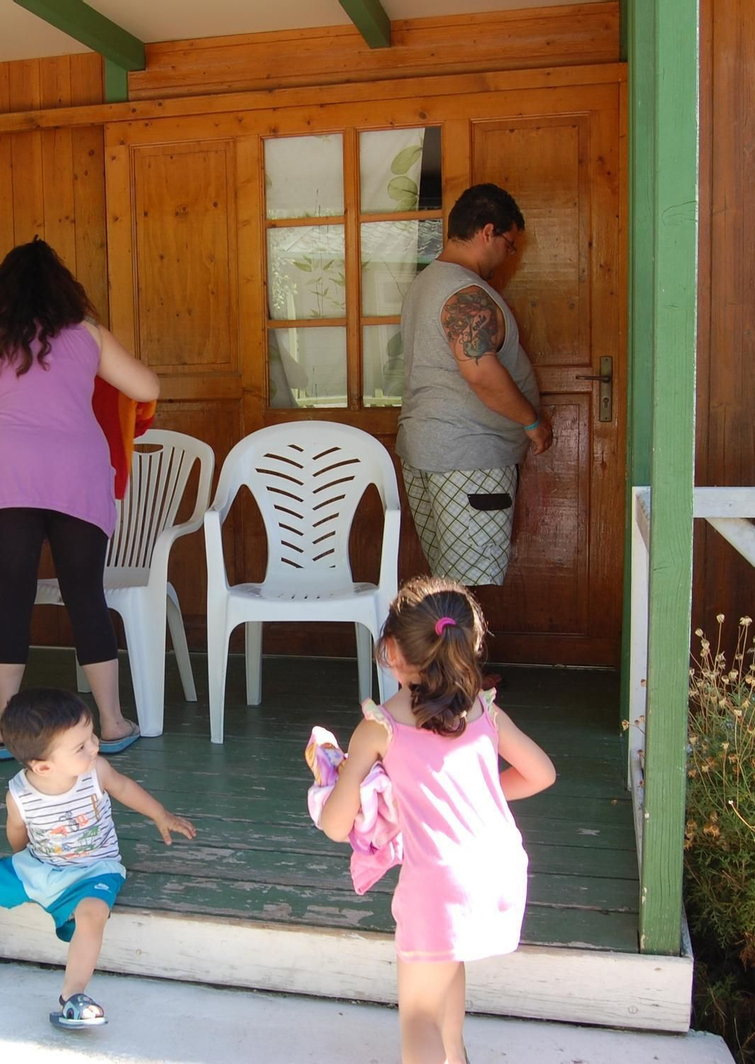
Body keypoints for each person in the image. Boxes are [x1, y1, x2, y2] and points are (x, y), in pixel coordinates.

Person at [0, 239, 160, 760]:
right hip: (77, 472)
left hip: (9, 470)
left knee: (11, 599)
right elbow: (146, 385)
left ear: (0, 288)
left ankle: (1, 730)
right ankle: (111, 721)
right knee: (86, 595)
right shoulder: (85, 331)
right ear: (63, 286)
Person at [318, 577, 556, 1063]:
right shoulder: (485, 710)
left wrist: (334, 772)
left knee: (418, 1017)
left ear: (391, 651)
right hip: (500, 870)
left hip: (440, 883)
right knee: (447, 964)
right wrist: (483, 799)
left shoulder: (379, 727)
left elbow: (336, 826)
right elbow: (541, 774)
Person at [0, 687, 196, 1029]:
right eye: (81, 747)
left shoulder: (96, 771)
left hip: (97, 867)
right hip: (41, 863)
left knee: (92, 913)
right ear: (43, 766)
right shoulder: (19, 793)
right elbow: (16, 832)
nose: (94, 746)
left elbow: (124, 788)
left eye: (91, 735)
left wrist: (160, 814)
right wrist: (22, 865)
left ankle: (73, 995)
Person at [397, 183, 551, 594]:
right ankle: (459, 662)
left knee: (447, 585)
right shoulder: (465, 293)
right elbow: (481, 373)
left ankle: (442, 661)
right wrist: (532, 422)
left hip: (429, 451)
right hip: (469, 459)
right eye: (509, 244)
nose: (507, 256)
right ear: (487, 232)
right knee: (467, 589)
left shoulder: (424, 284)